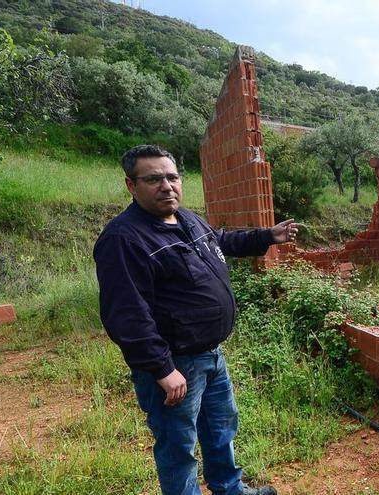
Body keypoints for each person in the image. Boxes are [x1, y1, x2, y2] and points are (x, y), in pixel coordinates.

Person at [94, 144, 298, 495]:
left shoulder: (187, 219)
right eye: (153, 178)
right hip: (175, 365)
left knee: (221, 429)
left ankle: (229, 488)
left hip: (210, 355)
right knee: (179, 448)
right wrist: (162, 369)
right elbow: (127, 315)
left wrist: (267, 236)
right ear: (131, 185)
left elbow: (220, 240)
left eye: (172, 177)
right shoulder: (123, 239)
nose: (166, 186)